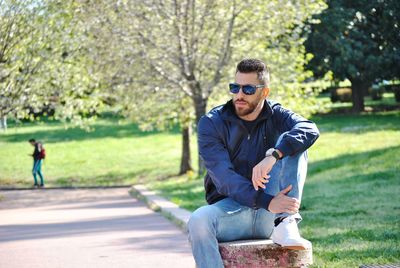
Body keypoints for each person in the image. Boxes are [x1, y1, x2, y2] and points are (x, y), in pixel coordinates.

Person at [187, 58, 320, 268]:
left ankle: (286, 222)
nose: (239, 95)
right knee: (198, 221)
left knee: (292, 140)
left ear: (264, 92)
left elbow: (310, 129)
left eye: (248, 89)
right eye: (235, 87)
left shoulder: (276, 114)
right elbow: (224, 179)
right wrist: (266, 201)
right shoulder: (212, 123)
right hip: (232, 211)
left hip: (273, 215)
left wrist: (273, 156)